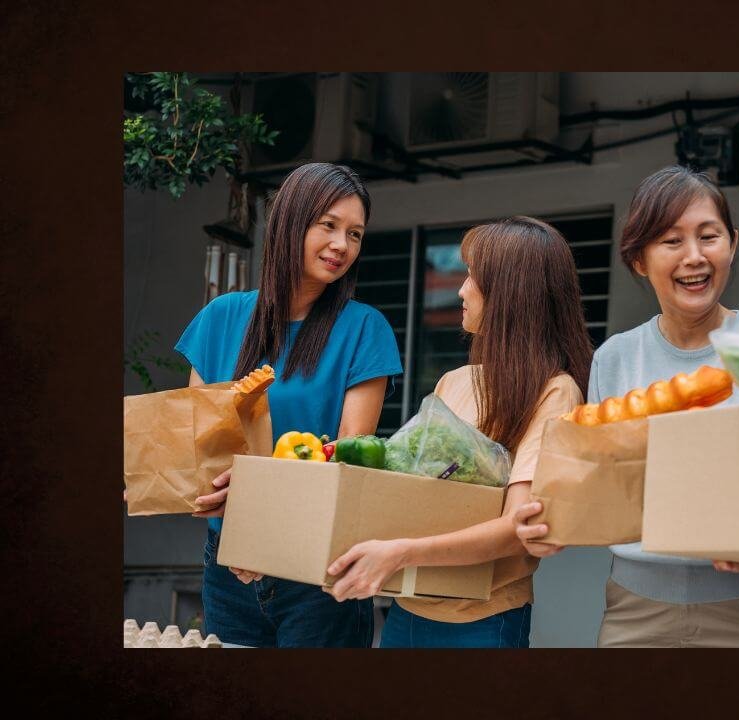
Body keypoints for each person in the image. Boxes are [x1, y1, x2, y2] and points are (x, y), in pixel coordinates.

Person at [514, 166, 739, 648]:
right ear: (638, 260)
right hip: (636, 607)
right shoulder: (613, 358)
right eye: (671, 241)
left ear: (732, 244)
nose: (694, 256)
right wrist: (546, 517)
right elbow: (598, 486)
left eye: (708, 236)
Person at [323, 216, 592, 648]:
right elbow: (411, 487)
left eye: (473, 277)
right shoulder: (454, 381)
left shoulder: (555, 392)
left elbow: (514, 530)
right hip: (407, 608)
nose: (461, 290)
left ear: (510, 294)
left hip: (482, 621)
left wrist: (399, 552)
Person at [174, 162, 404, 647]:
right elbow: (195, 442)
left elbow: (346, 463)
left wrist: (262, 516)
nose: (343, 245)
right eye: (329, 225)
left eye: (356, 234)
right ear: (290, 222)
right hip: (228, 563)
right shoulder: (221, 317)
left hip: (321, 568)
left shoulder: (364, 329)